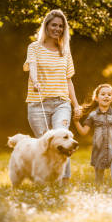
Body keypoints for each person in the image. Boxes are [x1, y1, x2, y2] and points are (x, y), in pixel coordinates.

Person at [24, 9, 81, 183]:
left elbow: (68, 80)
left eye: (60, 26)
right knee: (44, 145)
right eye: (53, 25)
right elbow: (32, 67)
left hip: (61, 104)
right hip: (37, 104)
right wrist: (35, 81)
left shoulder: (65, 51)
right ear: (46, 26)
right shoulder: (34, 47)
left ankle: (64, 182)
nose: (57, 29)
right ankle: (45, 180)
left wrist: (76, 105)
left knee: (64, 140)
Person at [74, 84, 112, 183]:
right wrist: (76, 122)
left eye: (109, 95)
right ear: (96, 98)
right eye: (103, 94)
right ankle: (99, 195)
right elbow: (83, 132)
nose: (106, 96)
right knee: (99, 180)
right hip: (98, 151)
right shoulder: (93, 115)